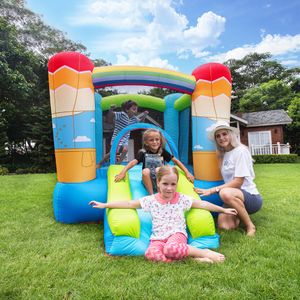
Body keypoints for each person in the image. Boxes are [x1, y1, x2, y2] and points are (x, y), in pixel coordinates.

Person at [90, 166, 237, 263]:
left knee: (171, 249)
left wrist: (223, 210)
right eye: (165, 184)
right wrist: (105, 205)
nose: (169, 188)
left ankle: (203, 253)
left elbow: (203, 204)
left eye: (173, 184)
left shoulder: (181, 199)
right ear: (158, 183)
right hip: (157, 238)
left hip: (176, 234)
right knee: (150, 254)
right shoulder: (151, 200)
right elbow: (129, 204)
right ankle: (192, 259)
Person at [194, 120, 263, 237]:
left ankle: (250, 225)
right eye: (218, 136)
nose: (221, 138)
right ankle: (239, 215)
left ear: (231, 135)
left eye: (224, 134)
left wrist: (212, 190)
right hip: (233, 196)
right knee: (224, 226)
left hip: (250, 197)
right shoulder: (224, 155)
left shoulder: (241, 151)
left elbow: (238, 182)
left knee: (224, 193)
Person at [115, 128, 195, 194]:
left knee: (158, 169)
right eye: (151, 140)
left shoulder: (162, 151)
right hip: (147, 180)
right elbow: (133, 162)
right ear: (146, 142)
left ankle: (160, 193)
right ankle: (152, 195)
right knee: (145, 171)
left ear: (160, 141)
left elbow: (176, 161)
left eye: (157, 140)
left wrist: (187, 172)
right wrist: (123, 172)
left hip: (161, 180)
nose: (155, 142)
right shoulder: (143, 152)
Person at [97, 100, 148, 168]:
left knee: (125, 150)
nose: (135, 111)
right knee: (113, 152)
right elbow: (111, 115)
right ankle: (100, 163)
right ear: (127, 109)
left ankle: (118, 165)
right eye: (133, 109)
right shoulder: (121, 114)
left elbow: (140, 124)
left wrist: (144, 115)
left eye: (136, 109)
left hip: (125, 138)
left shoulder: (134, 119)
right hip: (117, 137)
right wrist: (111, 109)